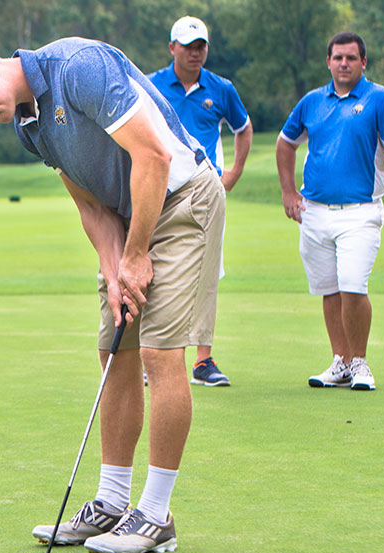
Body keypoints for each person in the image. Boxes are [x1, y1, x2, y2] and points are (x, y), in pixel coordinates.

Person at [0, 38, 226, 553]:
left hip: (182, 202)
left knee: (159, 352)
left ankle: (155, 516)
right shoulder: (28, 125)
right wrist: (114, 270)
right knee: (115, 351)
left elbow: (152, 155)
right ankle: (111, 502)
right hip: (129, 218)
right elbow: (90, 204)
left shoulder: (79, 68)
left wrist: (136, 255)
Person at [275, 32, 384, 391]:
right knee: (329, 289)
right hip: (315, 211)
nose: (344, 64)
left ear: (363, 62)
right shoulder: (312, 102)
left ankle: (360, 363)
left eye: (351, 58)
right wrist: (289, 191)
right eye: (338, 58)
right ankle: (341, 362)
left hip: (360, 211)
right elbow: (285, 143)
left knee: (353, 286)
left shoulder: (381, 100)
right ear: (328, 62)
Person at [147, 16, 252, 388]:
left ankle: (202, 360)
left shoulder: (221, 89)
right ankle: (149, 355)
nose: (196, 53)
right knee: (152, 268)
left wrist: (233, 174)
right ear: (172, 47)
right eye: (188, 46)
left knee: (207, 274)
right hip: (159, 188)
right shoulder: (152, 86)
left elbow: (243, 128)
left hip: (205, 191)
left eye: (201, 46)